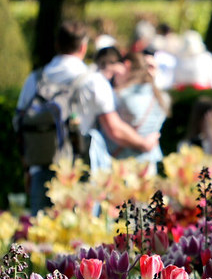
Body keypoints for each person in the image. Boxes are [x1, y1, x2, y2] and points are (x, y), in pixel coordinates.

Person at [16, 21, 158, 213]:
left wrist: (27, 169)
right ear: (83, 47)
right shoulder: (92, 80)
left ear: (57, 45)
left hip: (41, 168)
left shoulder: (34, 79)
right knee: (83, 237)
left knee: (43, 239)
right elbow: (114, 128)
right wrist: (143, 144)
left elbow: (20, 126)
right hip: (80, 171)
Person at [98, 51, 168, 174]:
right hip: (149, 163)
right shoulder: (162, 98)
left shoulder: (119, 97)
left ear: (127, 66)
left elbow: (115, 130)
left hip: (122, 165)